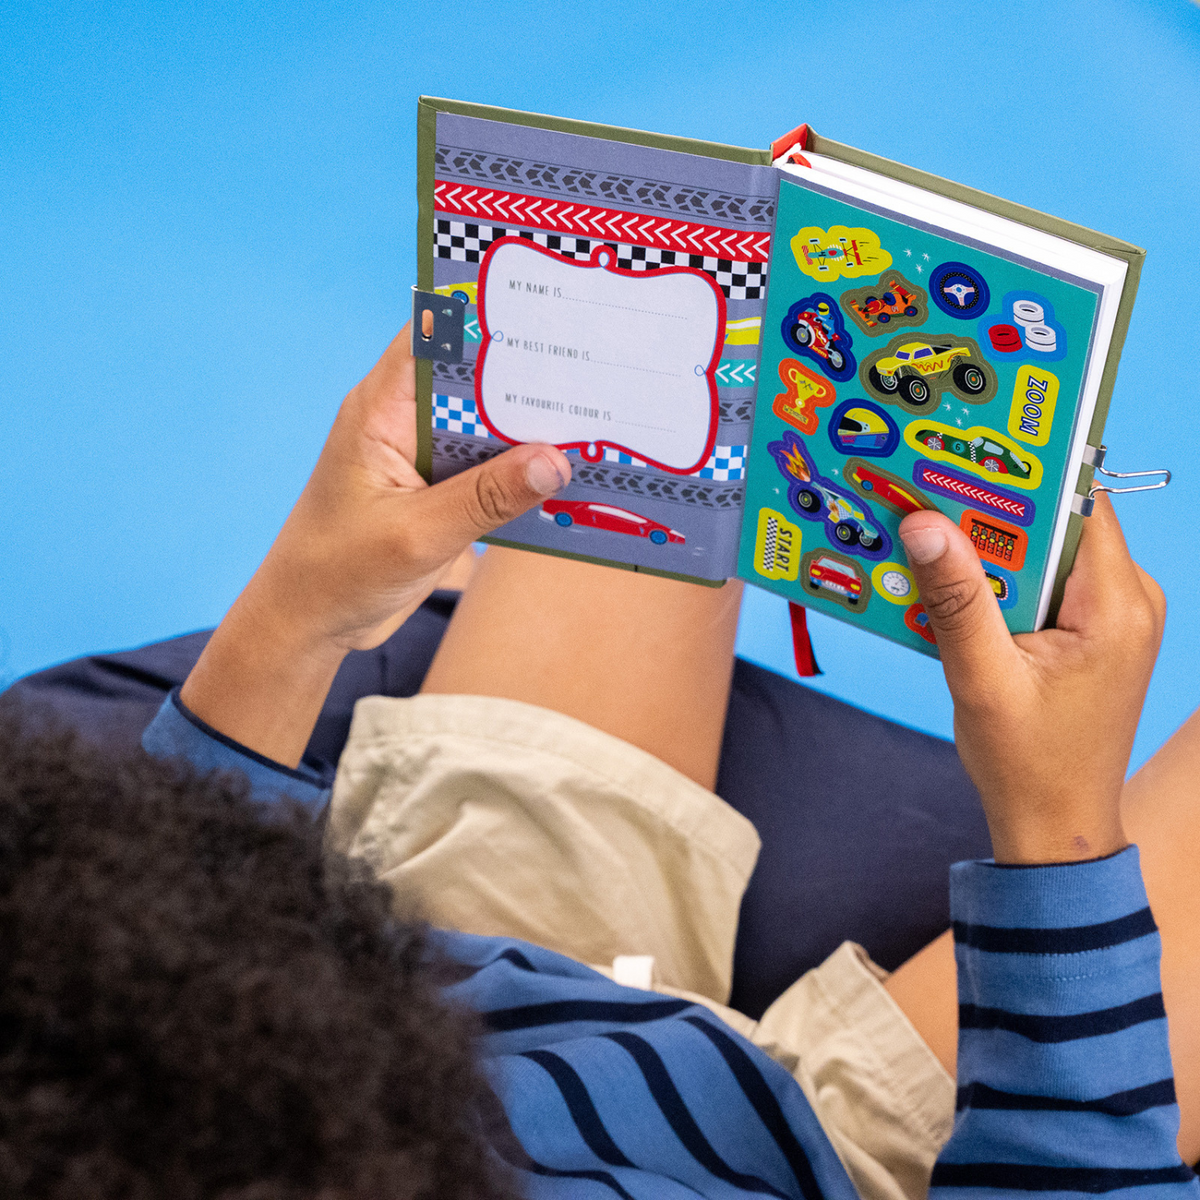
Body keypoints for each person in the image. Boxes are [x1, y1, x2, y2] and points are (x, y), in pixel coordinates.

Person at [4, 321, 1197, 1197]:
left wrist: (303, 611)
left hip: (456, 1004)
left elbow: (150, 953)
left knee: (669, 328)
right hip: (838, 1167)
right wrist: (1058, 834)